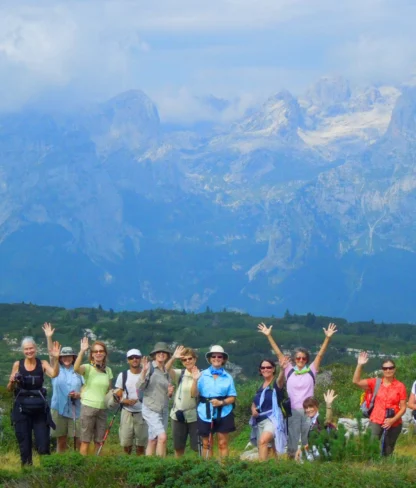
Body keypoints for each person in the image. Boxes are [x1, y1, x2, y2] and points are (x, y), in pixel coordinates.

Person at [258, 321, 337, 458]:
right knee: (293, 441)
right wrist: (269, 336)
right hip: (293, 410)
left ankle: (307, 463)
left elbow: (320, 355)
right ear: (294, 359)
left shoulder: (311, 370)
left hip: (309, 410)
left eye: (303, 358)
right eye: (298, 358)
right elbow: (278, 353)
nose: (300, 360)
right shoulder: (289, 370)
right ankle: (291, 465)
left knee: (308, 439)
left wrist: (328, 338)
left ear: (307, 360)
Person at [7, 335, 61, 466]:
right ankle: (27, 472)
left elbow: (54, 374)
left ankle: (46, 473)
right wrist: (12, 381)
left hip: (39, 410)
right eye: (26, 349)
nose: (29, 351)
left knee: (43, 445)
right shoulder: (17, 365)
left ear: (35, 348)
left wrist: (56, 358)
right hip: (21, 410)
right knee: (24, 445)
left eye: (31, 348)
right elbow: (9, 389)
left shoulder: (42, 364)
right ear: (22, 351)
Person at [353, 352, 407, 456]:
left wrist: (392, 420)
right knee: (371, 446)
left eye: (391, 368)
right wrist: (360, 365)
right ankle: (369, 468)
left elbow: (403, 408)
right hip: (376, 419)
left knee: (388, 450)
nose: (388, 370)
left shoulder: (400, 386)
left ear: (394, 369)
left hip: (394, 422)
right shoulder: (375, 382)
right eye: (385, 368)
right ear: (382, 370)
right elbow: (356, 381)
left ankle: (384, 470)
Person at [43, 323, 84, 452]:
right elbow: (51, 355)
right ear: (60, 358)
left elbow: (85, 389)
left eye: (69, 356)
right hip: (58, 408)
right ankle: (61, 465)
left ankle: (78, 464)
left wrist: (78, 395)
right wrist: (49, 337)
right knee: (61, 439)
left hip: (76, 409)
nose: (66, 358)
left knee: (78, 439)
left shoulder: (78, 370)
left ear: (73, 358)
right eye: (64, 356)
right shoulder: (56, 368)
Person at [192, 345, 237, 459]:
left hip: (224, 412)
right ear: (210, 359)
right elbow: (193, 394)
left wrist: (221, 403)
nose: (216, 358)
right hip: (204, 412)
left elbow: (232, 397)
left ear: (223, 359)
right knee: (207, 444)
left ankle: (223, 471)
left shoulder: (228, 377)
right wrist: (195, 380)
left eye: (219, 356)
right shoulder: (201, 375)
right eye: (214, 356)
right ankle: (207, 471)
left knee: (223, 443)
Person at [74, 337, 113, 456]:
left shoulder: (108, 370)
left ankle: (96, 467)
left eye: (101, 351)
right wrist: (82, 351)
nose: (98, 353)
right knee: (85, 441)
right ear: (91, 354)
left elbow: (109, 390)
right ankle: (83, 468)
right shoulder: (88, 367)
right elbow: (75, 368)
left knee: (99, 441)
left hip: (103, 409)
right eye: (95, 351)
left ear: (105, 353)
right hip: (88, 407)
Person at [137, 342, 172, 457]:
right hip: (151, 408)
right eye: (158, 352)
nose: (161, 354)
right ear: (154, 354)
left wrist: (170, 393)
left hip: (163, 410)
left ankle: (148, 466)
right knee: (162, 437)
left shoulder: (166, 372)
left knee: (152, 439)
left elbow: (166, 393)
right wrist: (143, 371)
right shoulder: (150, 368)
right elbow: (139, 386)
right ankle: (159, 467)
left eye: (164, 352)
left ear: (167, 355)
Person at [249, 358, 288, 461]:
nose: (265, 369)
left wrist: (283, 370)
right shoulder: (260, 387)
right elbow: (254, 403)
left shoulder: (275, 384)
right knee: (270, 449)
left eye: (268, 367)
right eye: (263, 367)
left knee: (263, 442)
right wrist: (253, 410)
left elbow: (280, 380)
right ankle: (275, 471)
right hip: (259, 421)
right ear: (260, 370)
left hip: (272, 419)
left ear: (273, 369)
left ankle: (262, 470)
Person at [166, 346, 200, 457]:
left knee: (197, 447)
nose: (187, 361)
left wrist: (195, 380)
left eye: (190, 358)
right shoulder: (180, 373)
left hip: (194, 416)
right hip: (178, 415)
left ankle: (199, 469)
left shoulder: (201, 375)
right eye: (184, 359)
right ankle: (179, 469)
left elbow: (194, 394)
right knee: (178, 447)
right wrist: (174, 358)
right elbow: (165, 369)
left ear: (195, 359)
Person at [114, 348, 148, 455]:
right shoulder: (123, 375)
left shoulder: (146, 375)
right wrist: (125, 401)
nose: (134, 359)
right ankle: (128, 465)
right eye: (131, 358)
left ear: (141, 359)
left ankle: (138, 467)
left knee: (141, 444)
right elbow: (117, 394)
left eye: (137, 357)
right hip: (127, 412)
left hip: (143, 413)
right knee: (126, 444)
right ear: (128, 360)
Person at [296, 389, 337, 461]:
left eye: (311, 407)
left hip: (327, 449)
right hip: (318, 449)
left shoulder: (320, 417)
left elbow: (328, 419)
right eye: (306, 408)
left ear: (316, 407)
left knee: (305, 458)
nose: (308, 410)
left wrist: (328, 405)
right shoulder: (311, 422)